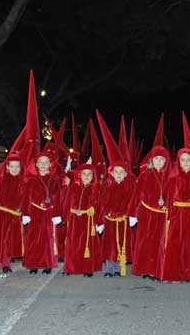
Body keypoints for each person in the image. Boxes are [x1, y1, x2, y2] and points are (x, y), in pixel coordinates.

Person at [158, 113, 190, 283]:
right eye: (182, 160)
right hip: (178, 214)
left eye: (188, 160)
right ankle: (174, 273)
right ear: (178, 161)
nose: (185, 162)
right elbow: (170, 198)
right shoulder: (173, 178)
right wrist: (169, 216)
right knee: (175, 243)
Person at [96, 111, 135, 277]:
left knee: (122, 243)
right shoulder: (107, 187)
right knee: (110, 244)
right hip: (110, 219)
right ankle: (110, 268)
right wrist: (101, 220)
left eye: (122, 172)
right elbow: (101, 203)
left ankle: (120, 267)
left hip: (123, 220)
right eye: (116, 172)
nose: (119, 174)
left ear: (126, 174)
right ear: (111, 173)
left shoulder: (129, 187)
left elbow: (132, 202)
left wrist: (131, 215)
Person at [127, 145, 171, 280]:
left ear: (166, 161)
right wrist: (132, 213)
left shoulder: (170, 177)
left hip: (163, 215)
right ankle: (145, 269)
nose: (159, 161)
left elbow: (173, 196)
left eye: (162, 159)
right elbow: (137, 195)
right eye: (156, 158)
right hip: (147, 213)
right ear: (151, 160)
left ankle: (158, 270)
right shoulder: (145, 175)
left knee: (160, 242)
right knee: (145, 241)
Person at [21, 152, 62, 274]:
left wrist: (57, 213)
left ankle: (47, 264)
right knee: (33, 239)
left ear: (50, 165)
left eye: (46, 162)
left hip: (49, 213)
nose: (43, 164)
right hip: (34, 212)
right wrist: (25, 213)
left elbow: (58, 197)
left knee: (48, 240)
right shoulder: (31, 180)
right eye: (40, 162)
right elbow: (26, 198)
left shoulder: (54, 180)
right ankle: (33, 264)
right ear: (36, 165)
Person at [63, 164, 102, 277]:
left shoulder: (96, 189)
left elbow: (100, 206)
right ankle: (70, 267)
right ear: (79, 175)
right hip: (74, 219)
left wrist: (100, 221)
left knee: (87, 244)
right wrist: (64, 216)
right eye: (84, 174)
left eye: (89, 174)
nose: (86, 176)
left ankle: (87, 268)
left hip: (88, 220)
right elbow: (67, 201)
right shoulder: (73, 188)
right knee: (72, 243)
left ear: (93, 176)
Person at [0, 154, 25, 274]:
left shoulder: (23, 182)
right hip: (1, 214)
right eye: (12, 166)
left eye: (17, 167)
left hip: (15, 215)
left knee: (9, 240)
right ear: (7, 167)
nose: (14, 169)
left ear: (20, 168)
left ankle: (6, 264)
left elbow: (26, 199)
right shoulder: (0, 180)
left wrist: (24, 212)